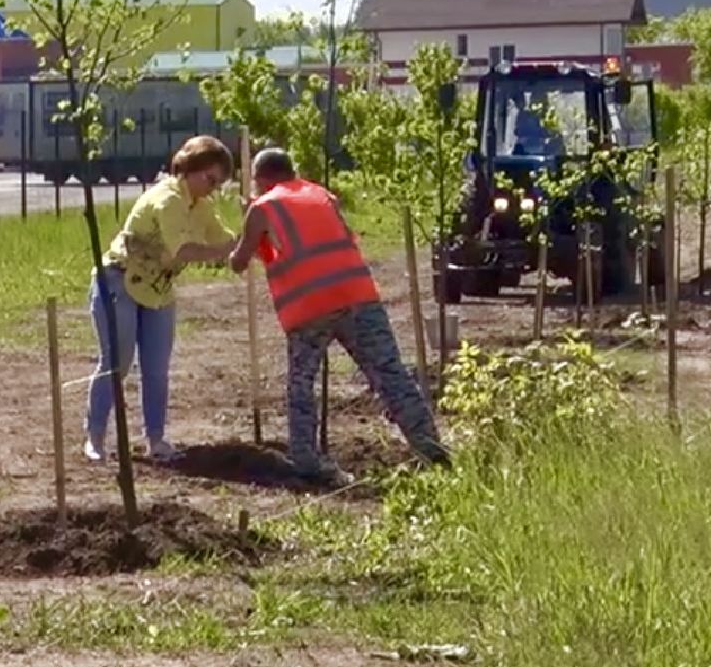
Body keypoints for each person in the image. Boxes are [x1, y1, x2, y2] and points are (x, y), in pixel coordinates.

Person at [227, 148, 448, 486]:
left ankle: (306, 460)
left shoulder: (262, 207)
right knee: (391, 374)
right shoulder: (322, 195)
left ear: (261, 179)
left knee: (301, 384)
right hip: (358, 296)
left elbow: (239, 261)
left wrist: (247, 226)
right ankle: (431, 450)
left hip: (308, 307)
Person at [84, 135, 237, 463]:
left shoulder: (201, 205)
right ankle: (95, 438)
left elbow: (225, 239)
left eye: (218, 183)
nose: (212, 188)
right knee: (117, 362)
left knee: (156, 368)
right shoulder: (167, 199)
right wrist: (221, 252)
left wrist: (250, 236)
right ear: (189, 168)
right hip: (119, 281)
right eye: (209, 179)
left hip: (158, 290)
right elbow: (178, 252)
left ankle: (155, 440)